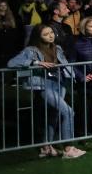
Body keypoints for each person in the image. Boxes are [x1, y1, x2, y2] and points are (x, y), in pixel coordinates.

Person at [7, 24, 85, 159]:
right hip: (44, 85)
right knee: (68, 112)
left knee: (53, 115)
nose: (50, 36)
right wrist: (36, 63)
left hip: (59, 83)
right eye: (45, 34)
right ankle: (68, 148)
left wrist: (71, 74)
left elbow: (64, 64)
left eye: (51, 33)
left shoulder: (57, 48)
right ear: (38, 37)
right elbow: (11, 63)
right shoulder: (31, 50)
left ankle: (46, 147)